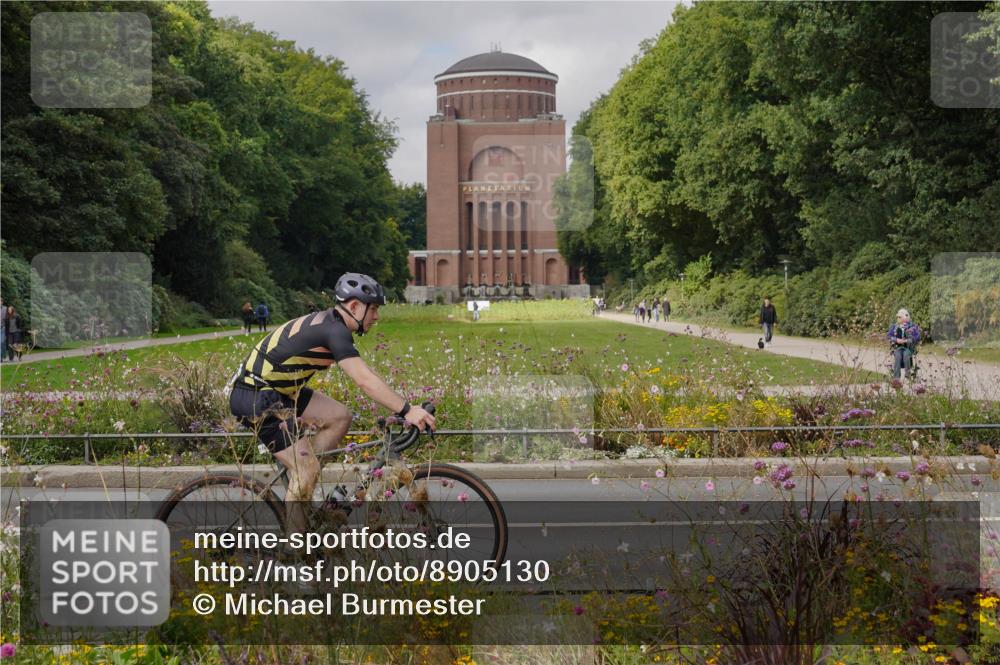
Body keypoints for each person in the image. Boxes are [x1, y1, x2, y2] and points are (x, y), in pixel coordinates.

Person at [228, 273, 436, 533]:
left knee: (340, 416)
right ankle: (295, 552)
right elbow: (364, 381)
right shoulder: (333, 329)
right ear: (354, 306)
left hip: (280, 391)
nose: (377, 317)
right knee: (306, 468)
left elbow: (368, 373)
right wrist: (406, 410)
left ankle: (303, 485)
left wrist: (403, 405)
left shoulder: (333, 324)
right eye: (374, 309)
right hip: (256, 395)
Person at [887, 308, 921, 380]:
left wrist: (908, 340)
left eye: (900, 317)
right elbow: (889, 336)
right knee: (898, 356)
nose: (899, 319)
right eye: (898, 317)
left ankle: (907, 373)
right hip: (898, 347)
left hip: (908, 348)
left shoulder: (912, 326)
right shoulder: (895, 326)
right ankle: (896, 377)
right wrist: (896, 339)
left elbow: (917, 336)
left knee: (906, 355)